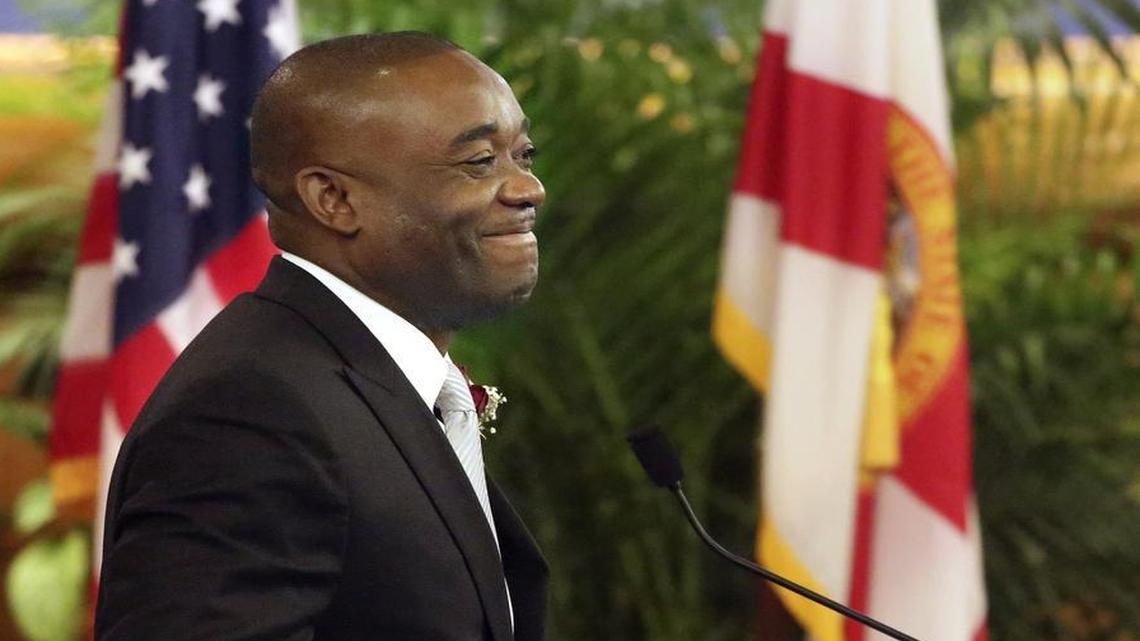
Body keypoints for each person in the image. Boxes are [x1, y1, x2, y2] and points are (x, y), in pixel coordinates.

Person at [94, 32, 548, 641]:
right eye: (479, 162)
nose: (527, 189)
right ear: (334, 199)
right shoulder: (248, 413)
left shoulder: (358, 379)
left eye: (524, 154)